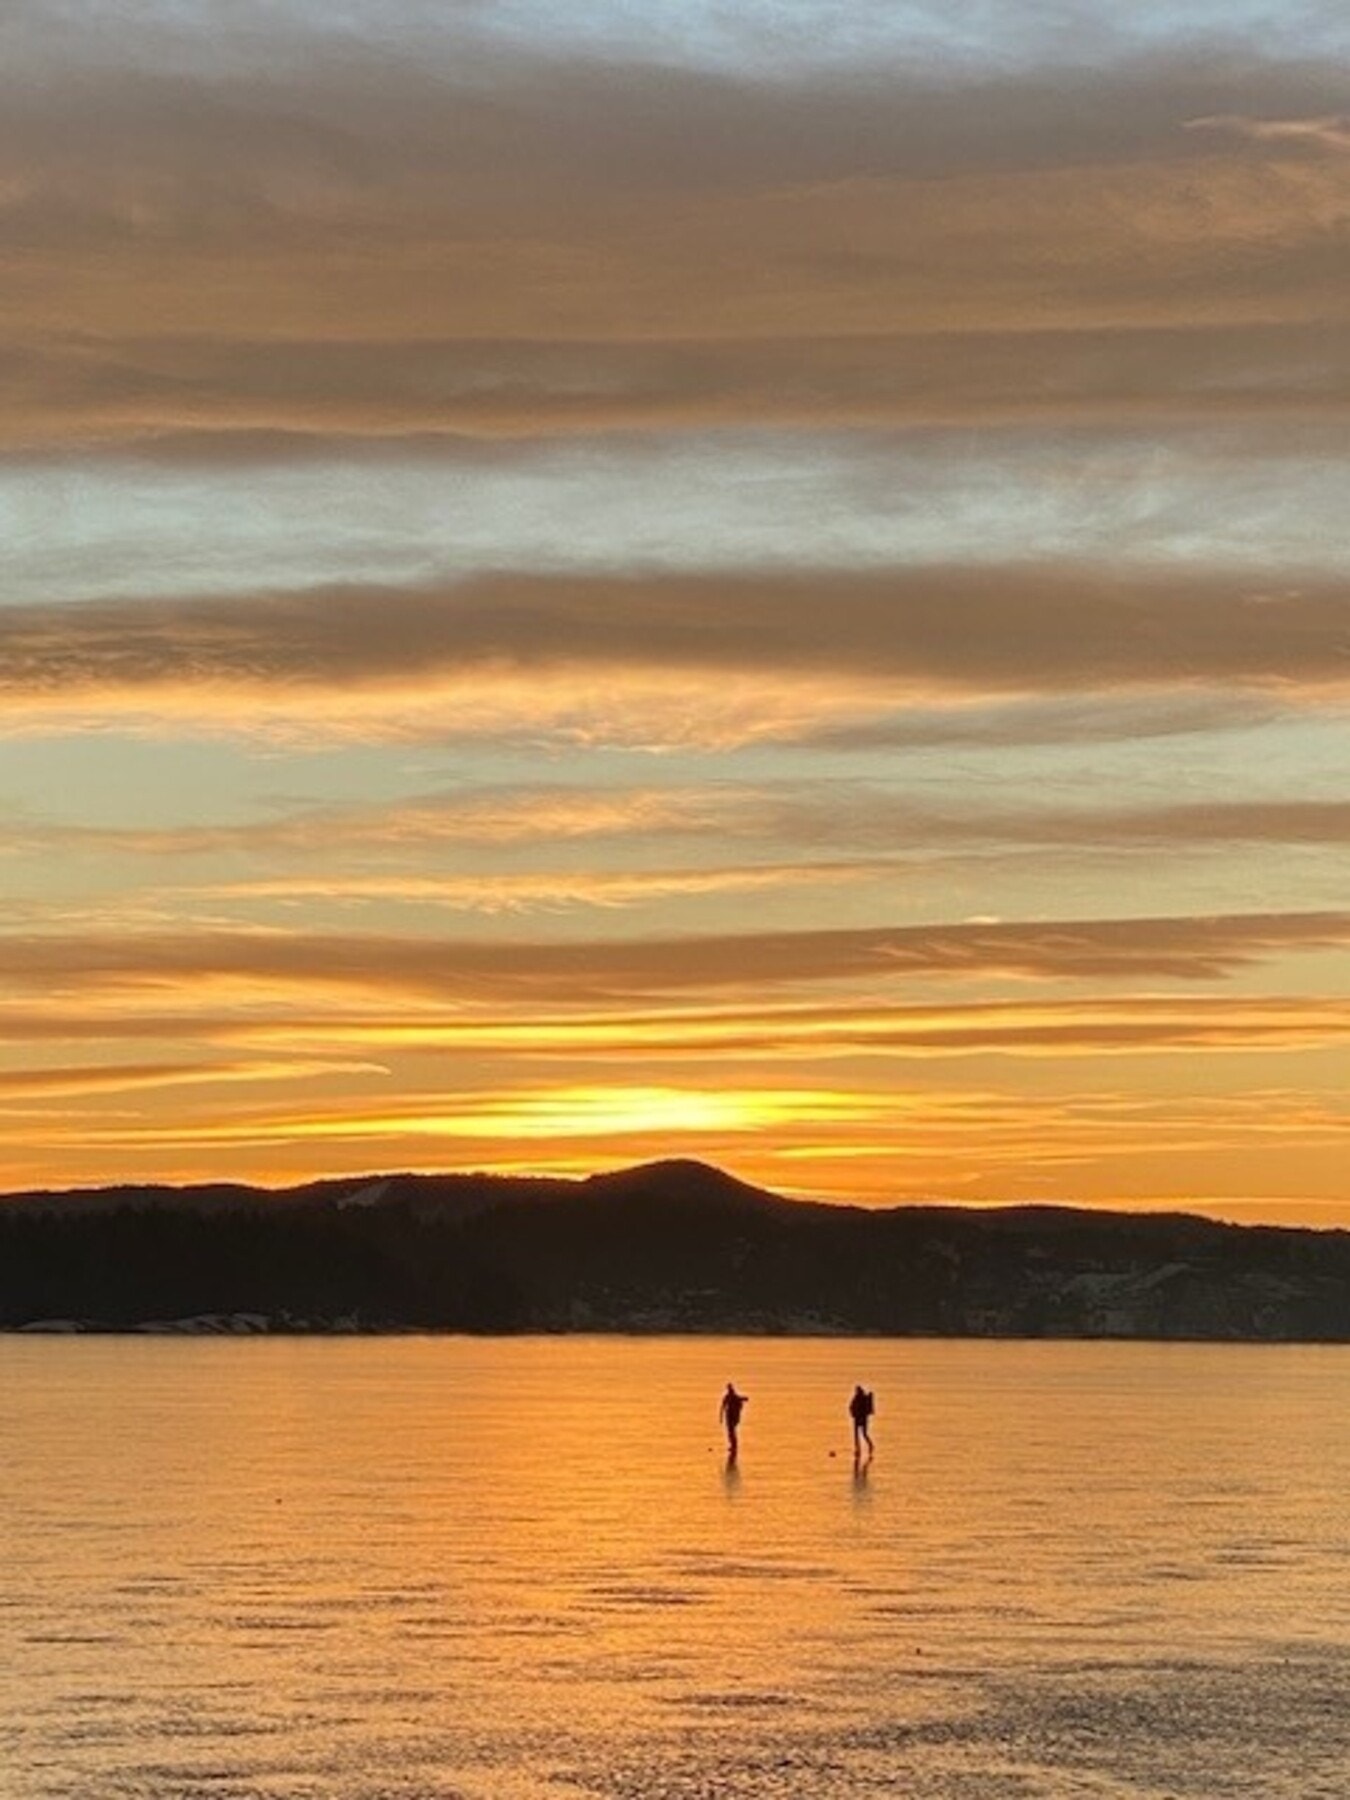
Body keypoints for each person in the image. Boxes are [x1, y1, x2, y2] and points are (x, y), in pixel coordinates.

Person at [719, 1382, 747, 1459]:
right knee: (730, 1431)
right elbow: (723, 1407)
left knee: (732, 1431)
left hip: (733, 1417)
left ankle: (734, 1446)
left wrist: (744, 1399)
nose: (730, 1390)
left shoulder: (733, 1396)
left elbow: (742, 1399)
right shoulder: (728, 1397)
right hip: (729, 1416)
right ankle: (733, 1445)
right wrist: (720, 1417)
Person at [849, 1383, 875, 1458]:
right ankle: (858, 1448)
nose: (856, 1392)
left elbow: (852, 1406)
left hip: (861, 1418)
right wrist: (853, 1413)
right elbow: (851, 1406)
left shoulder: (860, 1398)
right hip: (859, 1418)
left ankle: (868, 1445)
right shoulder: (857, 1398)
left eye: (856, 1390)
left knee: (862, 1434)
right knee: (859, 1434)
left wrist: (853, 1413)